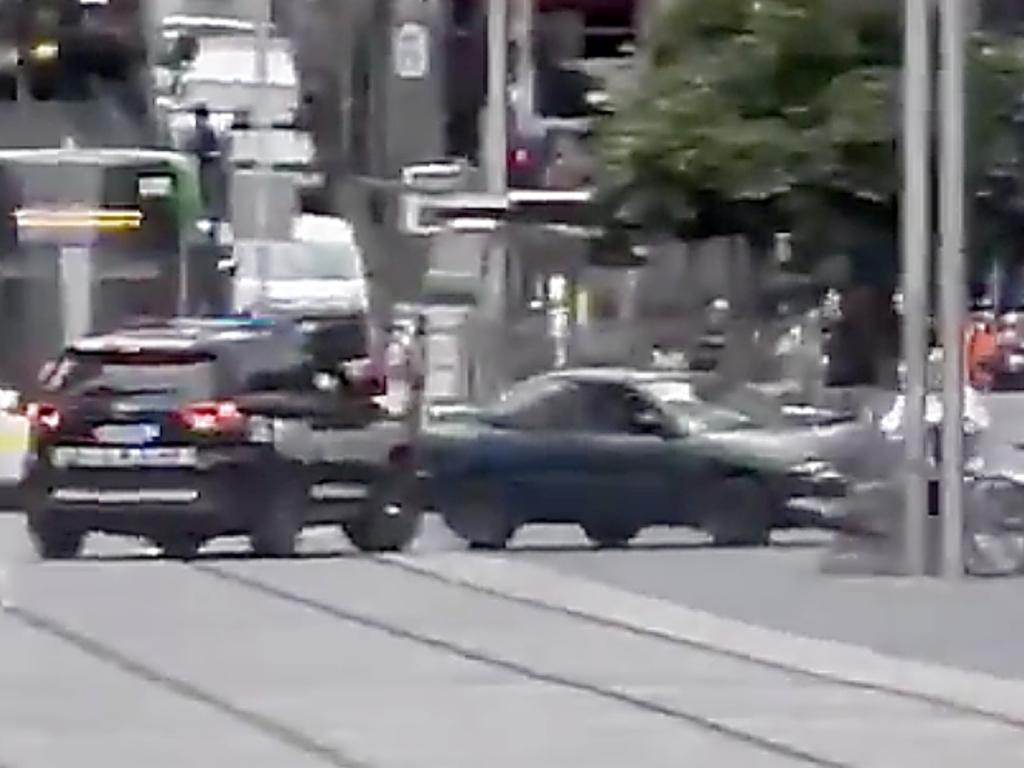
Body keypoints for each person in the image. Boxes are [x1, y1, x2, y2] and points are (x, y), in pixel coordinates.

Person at [186, 103, 226, 220]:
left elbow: (198, 148)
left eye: (197, 117)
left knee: (206, 193)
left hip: (207, 166)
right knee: (206, 194)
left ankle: (209, 217)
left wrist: (191, 151)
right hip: (206, 166)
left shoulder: (205, 131)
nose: (196, 121)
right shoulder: (204, 130)